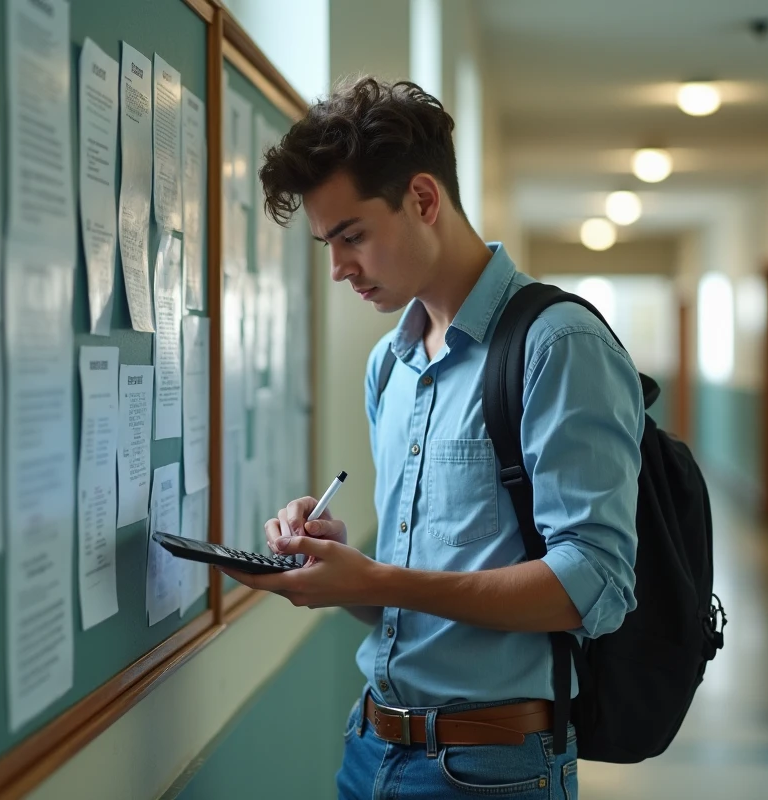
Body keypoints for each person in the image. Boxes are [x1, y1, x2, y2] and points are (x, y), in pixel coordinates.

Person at [219, 77, 645, 800]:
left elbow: (593, 584)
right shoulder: (392, 364)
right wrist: (343, 572)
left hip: (491, 771)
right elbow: (418, 600)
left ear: (423, 199)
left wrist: (380, 579)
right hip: (370, 747)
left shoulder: (558, 344)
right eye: (327, 243)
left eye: (351, 236)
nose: (338, 268)